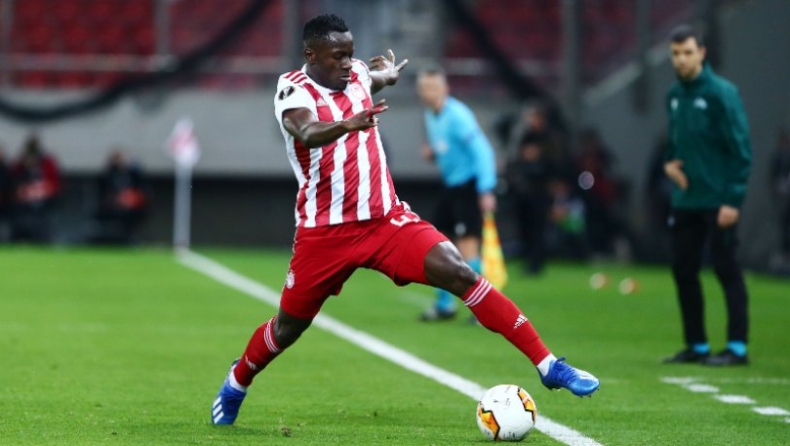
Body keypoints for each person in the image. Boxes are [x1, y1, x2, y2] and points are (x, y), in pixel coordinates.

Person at [210, 14, 598, 426]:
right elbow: (305, 131)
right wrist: (348, 123)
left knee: (460, 271)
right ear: (311, 55)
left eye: (350, 54)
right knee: (287, 328)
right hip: (325, 233)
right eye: (338, 56)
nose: (347, 63)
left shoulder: (356, 75)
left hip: (385, 221)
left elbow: (372, 77)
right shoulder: (292, 90)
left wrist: (389, 75)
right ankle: (237, 380)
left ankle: (548, 364)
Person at [662, 25, 752, 366]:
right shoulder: (674, 95)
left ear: (702, 52)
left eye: (687, 52)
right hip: (686, 200)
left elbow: (741, 149)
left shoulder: (722, 93)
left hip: (718, 201)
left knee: (727, 269)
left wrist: (733, 199)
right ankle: (696, 345)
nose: (681, 60)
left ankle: (737, 347)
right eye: (675, 54)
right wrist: (668, 164)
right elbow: (673, 144)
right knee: (683, 270)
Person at [415, 68, 497, 320]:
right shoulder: (431, 115)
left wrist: (486, 189)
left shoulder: (458, 116)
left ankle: (486, 309)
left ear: (445, 89)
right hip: (450, 187)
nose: (428, 93)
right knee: (437, 244)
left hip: (468, 187)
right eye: (424, 88)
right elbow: (448, 148)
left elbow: (482, 151)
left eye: (433, 88)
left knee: (467, 248)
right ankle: (444, 306)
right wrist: (434, 153)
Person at [90, 149, 149, 244]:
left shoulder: (132, 174)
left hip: (131, 206)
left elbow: (141, 190)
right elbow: (103, 193)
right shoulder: (109, 175)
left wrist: (129, 199)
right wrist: (115, 200)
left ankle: (129, 238)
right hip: (112, 205)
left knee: (131, 216)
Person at [10, 134, 61, 243]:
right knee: (19, 218)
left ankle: (42, 239)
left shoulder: (47, 163)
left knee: (42, 222)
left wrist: (41, 191)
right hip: (24, 204)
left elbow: (55, 184)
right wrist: (24, 191)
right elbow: (14, 182)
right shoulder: (21, 164)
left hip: (44, 203)